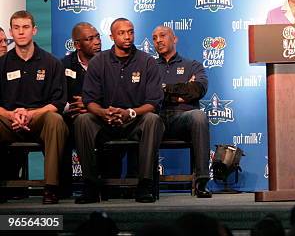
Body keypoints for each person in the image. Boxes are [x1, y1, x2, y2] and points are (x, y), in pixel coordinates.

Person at [74, 17, 164, 203]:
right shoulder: (99, 61)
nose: (127, 37)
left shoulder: (147, 62)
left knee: (152, 119)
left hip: (134, 121)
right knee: (83, 120)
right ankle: (90, 185)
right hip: (105, 121)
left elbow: (154, 102)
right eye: (121, 33)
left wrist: (130, 113)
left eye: (130, 32)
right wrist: (104, 113)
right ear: (112, 36)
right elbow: (90, 100)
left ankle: (144, 184)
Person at [0, 10, 68, 204]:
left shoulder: (52, 63)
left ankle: (51, 187)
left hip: (40, 120)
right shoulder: (2, 64)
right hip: (9, 121)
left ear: (34, 30)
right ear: (11, 32)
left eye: (26, 27)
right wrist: (11, 114)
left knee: (55, 120)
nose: (21, 32)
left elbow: (58, 103)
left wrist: (31, 114)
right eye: (16, 28)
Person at [152, 25, 211, 198]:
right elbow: (148, 96)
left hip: (183, 119)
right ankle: (145, 182)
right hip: (157, 118)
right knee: (147, 119)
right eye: (154, 38)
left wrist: (164, 89)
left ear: (174, 39)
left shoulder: (193, 65)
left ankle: (202, 182)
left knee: (199, 116)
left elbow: (197, 90)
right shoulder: (148, 66)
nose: (158, 40)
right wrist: (180, 93)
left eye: (162, 35)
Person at [59, 22, 102, 197]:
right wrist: (71, 107)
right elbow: (56, 96)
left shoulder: (109, 62)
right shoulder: (63, 65)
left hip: (101, 118)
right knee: (60, 128)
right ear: (77, 45)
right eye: (90, 39)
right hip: (70, 118)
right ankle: (63, 188)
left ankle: (108, 185)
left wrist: (91, 105)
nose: (97, 42)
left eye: (98, 36)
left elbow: (118, 94)